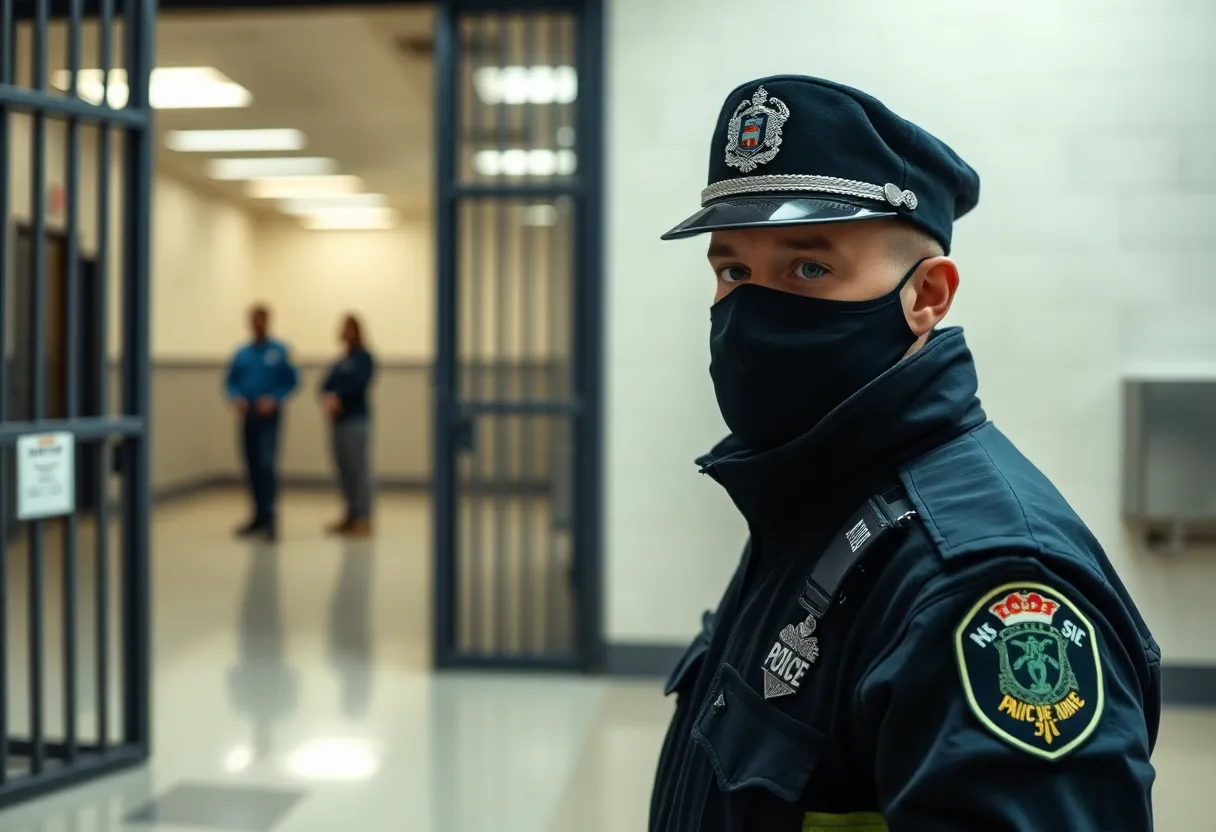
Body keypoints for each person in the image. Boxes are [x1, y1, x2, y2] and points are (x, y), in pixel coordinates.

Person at [649, 76, 1160, 832]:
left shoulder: (979, 583)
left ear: (928, 296)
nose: (753, 309)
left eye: (809, 268)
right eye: (733, 272)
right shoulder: (812, 498)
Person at [224, 304, 299, 542]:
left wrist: (274, 399)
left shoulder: (279, 351)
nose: (257, 324)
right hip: (248, 415)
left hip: (269, 416)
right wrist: (235, 397)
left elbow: (292, 382)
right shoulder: (242, 353)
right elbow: (230, 382)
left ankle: (271, 519)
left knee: (267, 465)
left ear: (268, 321)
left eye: (261, 319)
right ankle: (257, 517)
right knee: (251, 466)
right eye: (254, 320)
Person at [319, 313, 376, 537]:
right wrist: (328, 397)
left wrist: (339, 397)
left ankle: (364, 517)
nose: (344, 332)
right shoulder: (340, 361)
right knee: (343, 469)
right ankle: (350, 514)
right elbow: (324, 385)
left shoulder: (364, 359)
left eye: (348, 329)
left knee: (358, 468)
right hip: (338, 421)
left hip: (356, 420)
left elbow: (359, 384)